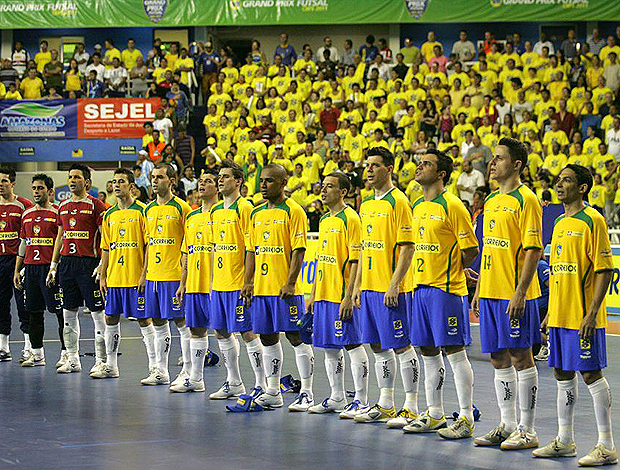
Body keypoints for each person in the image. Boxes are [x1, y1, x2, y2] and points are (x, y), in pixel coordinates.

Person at [533, 164, 618, 466]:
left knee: (591, 374)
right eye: (559, 180)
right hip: (559, 315)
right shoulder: (557, 222)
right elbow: (558, 271)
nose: (559, 184)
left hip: (583, 316)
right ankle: (565, 440)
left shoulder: (593, 220)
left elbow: (605, 270)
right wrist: (550, 312)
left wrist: (592, 313)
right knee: (561, 373)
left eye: (566, 180)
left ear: (582, 187)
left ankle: (606, 445)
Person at [471, 138, 542, 449]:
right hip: (489, 292)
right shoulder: (492, 201)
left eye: (499, 158)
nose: (492, 163)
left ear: (516, 165)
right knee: (498, 358)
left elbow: (533, 250)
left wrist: (521, 292)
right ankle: (507, 424)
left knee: (521, 357)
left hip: (514, 294)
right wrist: (481, 289)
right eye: (492, 158)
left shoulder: (526, 199)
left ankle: (528, 429)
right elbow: (491, 249)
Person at [406, 150, 479, 438]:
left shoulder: (453, 205)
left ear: (441, 174)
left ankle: (465, 416)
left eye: (427, 164)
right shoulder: (417, 206)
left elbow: (470, 248)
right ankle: (435, 413)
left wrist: (453, 270)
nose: (419, 166)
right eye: (419, 162)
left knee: (454, 351)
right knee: (427, 351)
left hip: (445, 290)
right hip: (420, 288)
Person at [351, 147, 418, 424]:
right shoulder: (366, 205)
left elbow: (407, 247)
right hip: (369, 286)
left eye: (375, 165)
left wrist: (395, 284)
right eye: (368, 165)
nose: (369, 170)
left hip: (391, 289)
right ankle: (386, 402)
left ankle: (411, 406)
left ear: (389, 169)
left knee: (401, 346)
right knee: (377, 346)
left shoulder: (399, 201)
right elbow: (364, 249)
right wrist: (356, 285)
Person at [241, 163, 312, 410]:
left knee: (296, 336)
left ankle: (307, 392)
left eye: (269, 181)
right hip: (261, 289)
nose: (263, 185)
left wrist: (291, 282)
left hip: (284, 290)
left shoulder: (294, 212)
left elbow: (299, 250)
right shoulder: (256, 213)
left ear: (283, 183)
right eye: (262, 181)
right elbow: (251, 250)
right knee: (268, 338)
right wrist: (248, 281)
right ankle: (273, 391)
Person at [305, 172, 369, 415]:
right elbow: (321, 260)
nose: (323, 190)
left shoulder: (350, 219)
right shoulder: (324, 220)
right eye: (323, 186)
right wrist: (312, 294)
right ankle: (337, 397)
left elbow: (355, 261)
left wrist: (349, 295)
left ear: (343, 192)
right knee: (330, 348)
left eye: (330, 186)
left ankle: (362, 400)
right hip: (322, 294)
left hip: (341, 295)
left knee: (352, 345)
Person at [204, 161, 266, 398]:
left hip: (238, 282)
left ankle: (261, 384)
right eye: (219, 176)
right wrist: (210, 281)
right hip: (219, 283)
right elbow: (213, 248)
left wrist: (248, 281)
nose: (220, 180)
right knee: (220, 331)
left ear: (238, 181)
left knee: (248, 333)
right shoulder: (216, 210)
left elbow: (252, 248)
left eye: (226, 176)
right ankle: (234, 382)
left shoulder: (246, 207)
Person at [46, 164, 107, 374]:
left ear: (87, 182)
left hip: (88, 264)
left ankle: (102, 361)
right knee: (68, 313)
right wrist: (54, 265)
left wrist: (102, 264)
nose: (72, 181)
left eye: (77, 177)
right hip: (67, 264)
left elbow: (105, 238)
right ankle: (72, 359)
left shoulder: (96, 205)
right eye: (70, 177)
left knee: (98, 314)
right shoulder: (62, 206)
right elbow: (60, 237)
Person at [139, 164, 192, 387]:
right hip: (153, 276)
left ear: (171, 181)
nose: (154, 181)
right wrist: (144, 274)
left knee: (181, 321)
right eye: (152, 177)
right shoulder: (148, 210)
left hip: (173, 275)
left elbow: (188, 244)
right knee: (158, 321)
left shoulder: (182, 208)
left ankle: (189, 371)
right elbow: (150, 244)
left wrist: (184, 277)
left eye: (159, 177)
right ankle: (161, 370)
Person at [169, 169, 219, 392]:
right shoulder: (192, 216)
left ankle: (236, 382)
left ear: (217, 187)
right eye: (200, 181)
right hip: (194, 284)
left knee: (225, 332)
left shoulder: (222, 214)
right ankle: (196, 379)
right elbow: (186, 253)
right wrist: (182, 283)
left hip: (217, 286)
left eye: (208, 181)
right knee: (196, 330)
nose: (202, 185)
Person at [95, 169, 147, 379]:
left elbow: (148, 245)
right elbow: (106, 247)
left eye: (121, 182)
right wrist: (103, 274)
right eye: (114, 182)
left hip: (136, 277)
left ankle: (156, 368)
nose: (116, 185)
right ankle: (111, 365)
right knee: (110, 317)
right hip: (115, 276)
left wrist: (145, 274)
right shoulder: (109, 214)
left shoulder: (142, 211)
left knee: (145, 320)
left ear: (131, 186)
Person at [13, 174, 64, 367]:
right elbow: (24, 244)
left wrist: (55, 266)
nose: (36, 191)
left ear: (50, 192)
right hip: (31, 270)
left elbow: (62, 242)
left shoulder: (57, 213)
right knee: (34, 313)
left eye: (40, 188)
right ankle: (37, 354)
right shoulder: (26, 215)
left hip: (50, 270)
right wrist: (18, 270)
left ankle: (66, 354)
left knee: (60, 313)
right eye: (34, 188)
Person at [0, 167, 33, 362]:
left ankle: (29, 346)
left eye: (4, 181)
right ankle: (3, 347)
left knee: (23, 304)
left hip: (17, 262)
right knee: (1, 304)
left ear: (12, 183)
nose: (0, 185)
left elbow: (30, 236)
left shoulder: (24, 205)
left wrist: (23, 265)